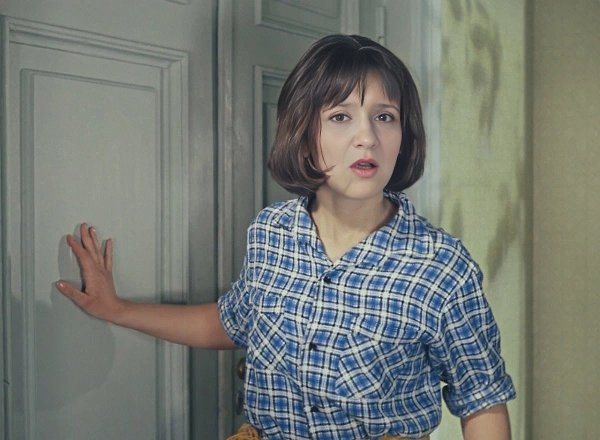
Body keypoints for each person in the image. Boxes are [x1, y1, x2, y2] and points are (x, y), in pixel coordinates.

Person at [56, 34, 516, 440]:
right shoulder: (270, 232)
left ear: (403, 134)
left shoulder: (441, 267)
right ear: (304, 131)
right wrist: (117, 309)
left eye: (385, 116)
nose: (367, 137)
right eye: (341, 116)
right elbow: (232, 323)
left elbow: (481, 400)